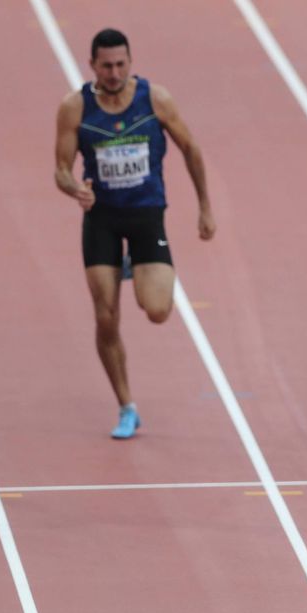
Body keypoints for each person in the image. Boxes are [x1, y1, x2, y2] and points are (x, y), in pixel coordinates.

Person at [53, 27, 215, 439]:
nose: (114, 72)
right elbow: (60, 168)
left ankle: (132, 266)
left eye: (121, 64)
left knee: (158, 310)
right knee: (106, 316)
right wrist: (74, 188)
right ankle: (126, 406)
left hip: (146, 216)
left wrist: (204, 208)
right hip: (102, 219)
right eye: (106, 65)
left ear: (130, 61)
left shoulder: (155, 99)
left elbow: (191, 148)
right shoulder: (74, 107)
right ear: (92, 65)